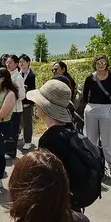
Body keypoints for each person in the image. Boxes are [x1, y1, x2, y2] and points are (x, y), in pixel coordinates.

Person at [29, 80, 86, 212]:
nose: (36, 105)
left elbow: (46, 178)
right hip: (72, 199)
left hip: (58, 204)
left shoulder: (49, 139)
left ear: (45, 107)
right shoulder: (70, 128)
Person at [81, 55, 111, 180]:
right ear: (95, 64)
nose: (101, 65)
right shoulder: (90, 78)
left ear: (107, 64)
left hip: (106, 109)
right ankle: (95, 168)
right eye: (99, 63)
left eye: (104, 63)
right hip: (92, 108)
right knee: (91, 140)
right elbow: (85, 94)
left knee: (106, 141)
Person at [3, 54, 26, 159]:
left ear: (16, 64)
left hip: (15, 109)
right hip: (7, 108)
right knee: (7, 130)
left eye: (10, 62)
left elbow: (22, 95)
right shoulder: (8, 76)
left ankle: (11, 153)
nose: (8, 64)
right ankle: (7, 149)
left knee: (13, 131)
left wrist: (12, 95)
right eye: (7, 62)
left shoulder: (18, 78)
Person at [18, 54, 37, 151]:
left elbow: (33, 89)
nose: (21, 64)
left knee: (27, 122)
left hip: (27, 101)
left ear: (28, 63)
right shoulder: (18, 74)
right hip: (18, 101)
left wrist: (26, 88)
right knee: (19, 120)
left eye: (23, 62)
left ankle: (28, 141)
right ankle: (20, 134)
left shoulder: (31, 75)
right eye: (20, 62)